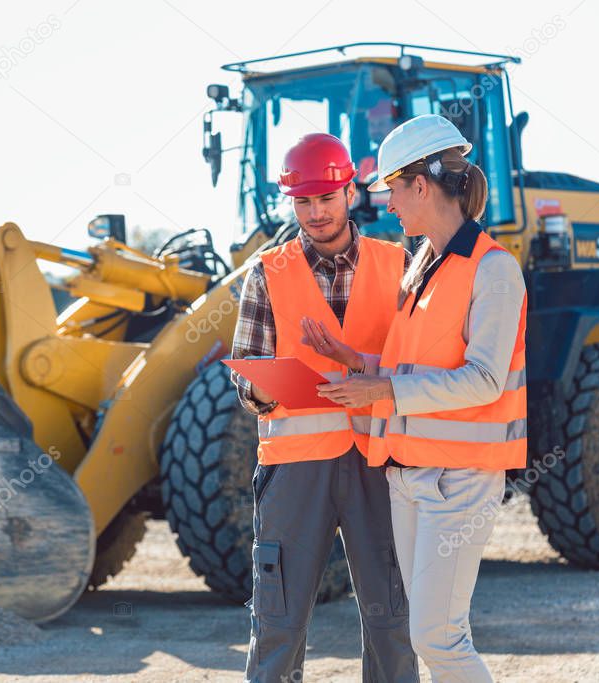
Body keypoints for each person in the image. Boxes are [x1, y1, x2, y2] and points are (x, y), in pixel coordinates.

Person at [313, 114, 527, 683]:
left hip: (458, 479)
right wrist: (355, 360)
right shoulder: (422, 269)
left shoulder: (495, 270)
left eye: (392, 191)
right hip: (408, 476)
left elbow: (484, 378)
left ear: (422, 186)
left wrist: (383, 388)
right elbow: (415, 368)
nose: (388, 206)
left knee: (437, 635)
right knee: (431, 632)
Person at [230, 132, 419, 683]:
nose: (315, 213)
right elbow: (249, 379)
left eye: (325, 199)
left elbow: (418, 365)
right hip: (295, 469)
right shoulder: (267, 272)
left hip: (381, 463)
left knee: (392, 621)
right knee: (278, 622)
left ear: (350, 193)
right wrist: (266, 388)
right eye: (303, 202)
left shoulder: (401, 266)